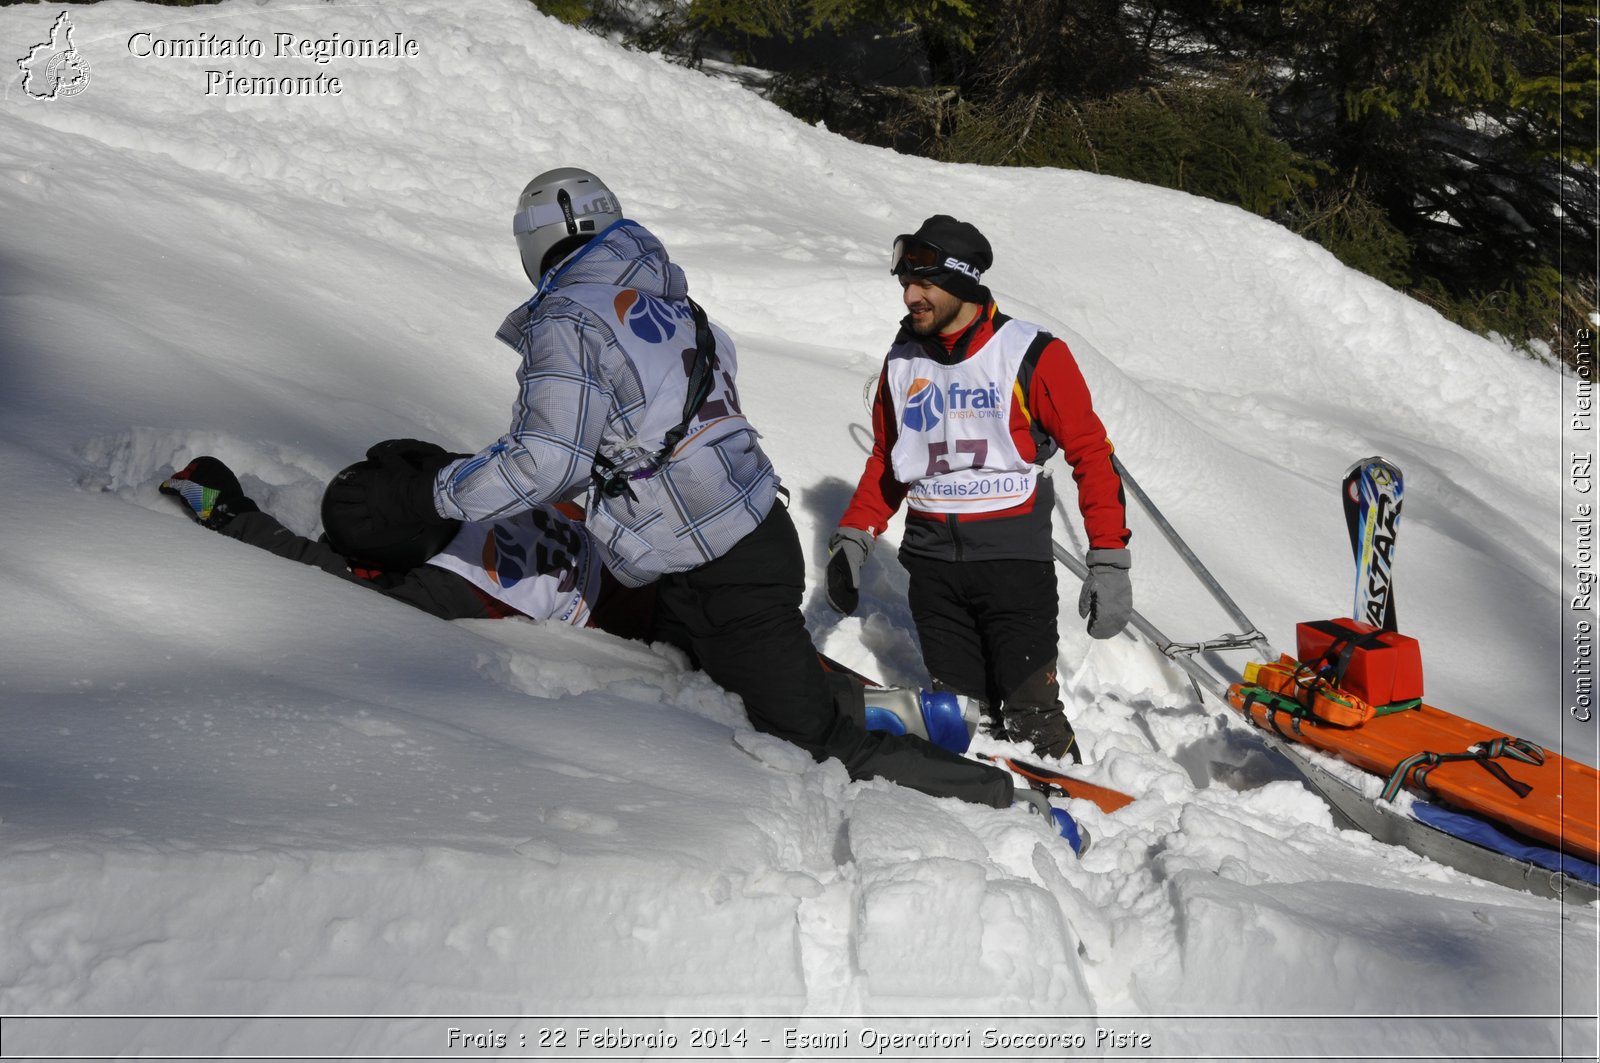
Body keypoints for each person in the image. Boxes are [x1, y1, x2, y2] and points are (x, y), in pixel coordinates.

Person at [312, 169, 1021, 810]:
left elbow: (549, 459)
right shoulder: (671, 304)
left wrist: (431, 494)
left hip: (722, 565)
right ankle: (907, 714)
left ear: (536, 247)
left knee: (814, 742)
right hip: (719, 546)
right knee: (743, 680)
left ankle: (999, 802)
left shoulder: (568, 318)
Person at [826, 215, 1133, 765]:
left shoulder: (1031, 353)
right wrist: (855, 535)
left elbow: (1092, 453)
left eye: (925, 283)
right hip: (933, 571)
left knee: (1030, 713)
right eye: (904, 284)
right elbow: (889, 459)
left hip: (1012, 566)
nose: (910, 296)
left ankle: (1078, 814)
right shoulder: (902, 360)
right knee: (963, 716)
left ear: (963, 282)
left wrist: (1109, 560)